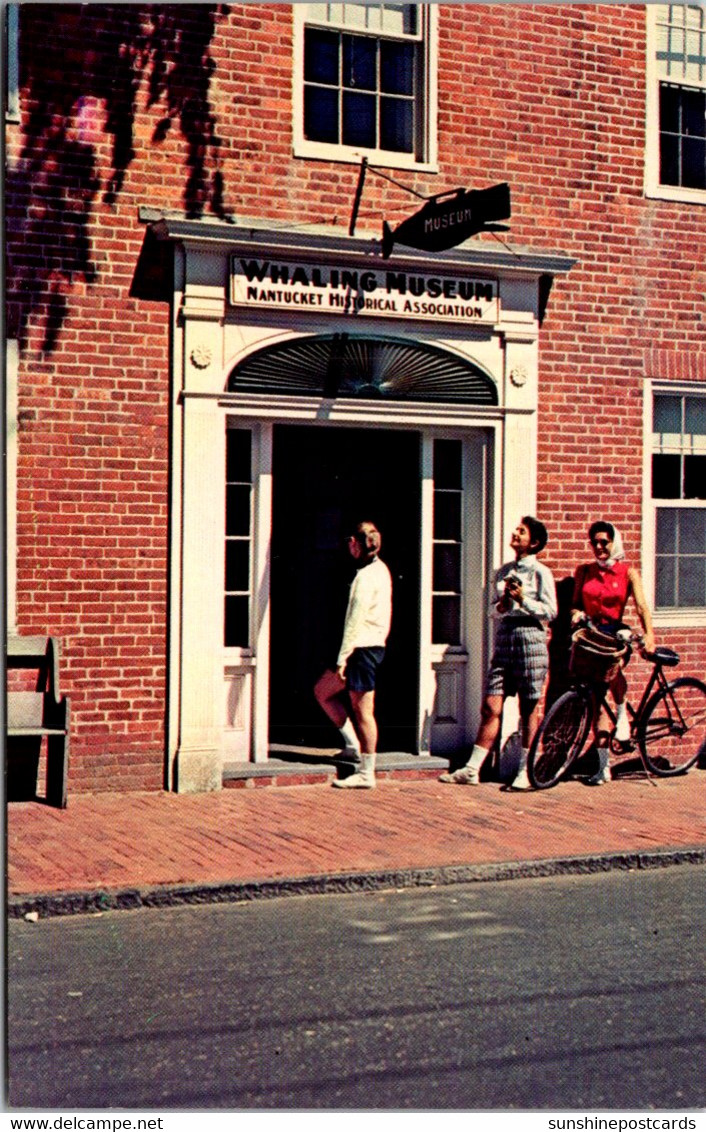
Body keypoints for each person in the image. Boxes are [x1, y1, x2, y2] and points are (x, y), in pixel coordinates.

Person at [440, 516, 557, 791]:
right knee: (491, 706)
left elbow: (550, 612)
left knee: (528, 707)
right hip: (506, 637)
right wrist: (505, 603)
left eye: (522, 531)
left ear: (535, 542)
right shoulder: (504, 571)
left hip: (530, 638)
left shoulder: (541, 572)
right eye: (516, 529)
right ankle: (472, 769)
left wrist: (522, 600)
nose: (515, 534)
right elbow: (492, 610)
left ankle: (524, 771)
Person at [570, 520, 655, 785]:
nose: (598, 547)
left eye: (604, 542)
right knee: (596, 700)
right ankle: (603, 768)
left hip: (615, 634)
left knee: (613, 670)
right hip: (591, 635)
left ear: (614, 542)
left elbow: (641, 606)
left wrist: (649, 634)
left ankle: (622, 716)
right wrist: (576, 615)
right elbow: (574, 605)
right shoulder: (584, 571)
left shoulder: (628, 572)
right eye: (594, 542)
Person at [313, 520, 392, 790]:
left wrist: (342, 659)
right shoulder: (380, 570)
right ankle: (352, 745)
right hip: (370, 647)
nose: (349, 546)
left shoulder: (366, 576)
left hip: (361, 650)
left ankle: (367, 772)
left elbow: (354, 622)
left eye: (351, 542)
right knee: (323, 692)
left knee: (364, 712)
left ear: (356, 544)